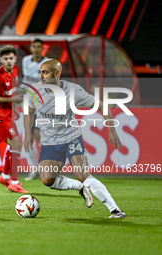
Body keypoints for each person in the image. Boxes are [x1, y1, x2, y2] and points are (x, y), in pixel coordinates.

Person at [23, 59, 127, 218]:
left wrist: (111, 130)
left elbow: (103, 105)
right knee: (47, 180)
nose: (41, 76)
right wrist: (28, 133)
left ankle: (115, 210)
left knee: (82, 173)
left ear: (56, 73)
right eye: (40, 72)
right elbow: (29, 112)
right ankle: (80, 187)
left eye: (45, 72)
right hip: (50, 143)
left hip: (71, 138)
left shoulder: (72, 91)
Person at [0, 45, 29, 193]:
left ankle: (5, 176)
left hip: (7, 114)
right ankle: (14, 182)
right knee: (16, 144)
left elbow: (12, 91)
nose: (9, 61)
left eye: (11, 58)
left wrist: (14, 108)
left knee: (14, 145)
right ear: (1, 60)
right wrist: (12, 99)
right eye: (6, 59)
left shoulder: (15, 70)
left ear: (15, 59)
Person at [22, 38, 49, 181]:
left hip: (42, 103)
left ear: (42, 48)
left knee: (39, 135)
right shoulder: (25, 61)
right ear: (31, 48)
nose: (36, 49)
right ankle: (35, 168)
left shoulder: (48, 62)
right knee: (29, 135)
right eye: (34, 46)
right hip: (28, 103)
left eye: (39, 46)